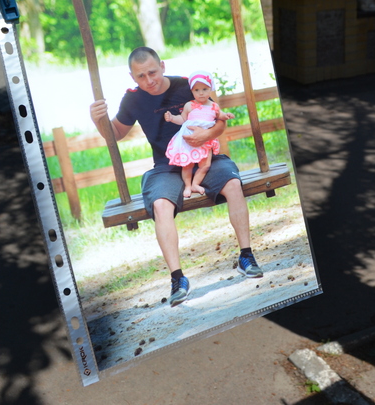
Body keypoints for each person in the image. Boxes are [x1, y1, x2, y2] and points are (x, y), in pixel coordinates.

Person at [89, 47, 263, 308]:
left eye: (152, 72)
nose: (149, 80)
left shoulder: (188, 86)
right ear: (132, 77)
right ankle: (178, 279)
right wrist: (98, 120)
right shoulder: (133, 99)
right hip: (166, 166)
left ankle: (246, 256)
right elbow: (115, 134)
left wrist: (206, 136)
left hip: (205, 157)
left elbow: (219, 120)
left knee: (233, 184)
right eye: (141, 76)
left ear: (162, 66)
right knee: (160, 204)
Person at [164, 70, 234, 198]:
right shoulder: (189, 105)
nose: (201, 93)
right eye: (196, 90)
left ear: (210, 89)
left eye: (205, 89)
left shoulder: (214, 106)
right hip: (189, 139)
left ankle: (196, 183)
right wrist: (172, 118)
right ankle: (188, 186)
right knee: (187, 164)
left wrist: (227, 116)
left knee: (205, 164)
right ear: (192, 91)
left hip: (205, 140)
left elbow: (220, 116)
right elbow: (183, 119)